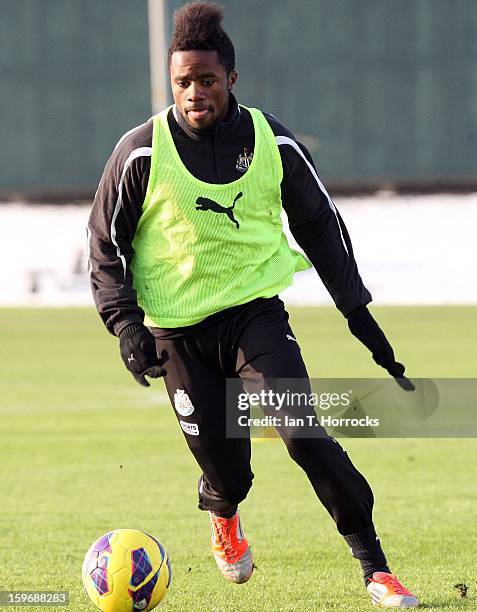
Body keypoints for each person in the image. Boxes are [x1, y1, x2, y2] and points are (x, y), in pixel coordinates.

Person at [87, 2, 419, 607]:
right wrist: (126, 325)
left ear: (231, 80)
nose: (194, 93)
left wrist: (358, 312)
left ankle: (376, 568)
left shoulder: (272, 142)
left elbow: (321, 225)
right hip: (178, 333)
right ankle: (224, 511)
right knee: (228, 471)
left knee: (303, 432)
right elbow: (106, 244)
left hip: (254, 317)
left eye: (207, 81)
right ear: (172, 81)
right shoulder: (139, 153)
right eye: (182, 81)